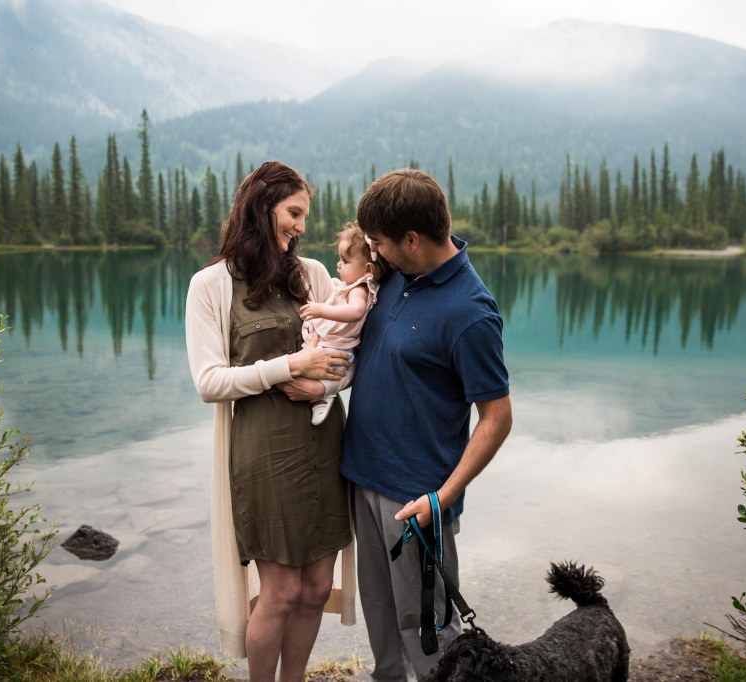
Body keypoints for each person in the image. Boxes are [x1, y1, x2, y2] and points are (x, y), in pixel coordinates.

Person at [185, 160, 357, 682]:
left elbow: (349, 357)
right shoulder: (210, 285)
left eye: (304, 216)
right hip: (263, 452)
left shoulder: (314, 277)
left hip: (325, 445)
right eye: (294, 213)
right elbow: (208, 381)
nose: (301, 227)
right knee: (280, 591)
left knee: (313, 587)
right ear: (262, 208)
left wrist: (323, 384)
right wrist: (289, 366)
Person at [341, 168, 513, 681]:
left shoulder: (471, 313)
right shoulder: (395, 277)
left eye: (379, 244)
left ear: (412, 239)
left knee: (431, 641)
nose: (374, 253)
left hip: (416, 501)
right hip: (363, 480)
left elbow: (498, 418)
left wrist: (442, 497)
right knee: (382, 629)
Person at [299, 222, 388, 426]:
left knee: (318, 364)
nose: (338, 265)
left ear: (367, 269)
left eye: (345, 261)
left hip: (337, 345)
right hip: (333, 342)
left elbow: (355, 312)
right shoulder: (353, 286)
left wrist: (321, 310)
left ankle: (323, 396)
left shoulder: (360, 289)